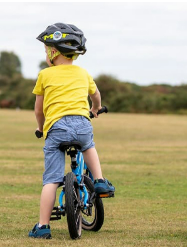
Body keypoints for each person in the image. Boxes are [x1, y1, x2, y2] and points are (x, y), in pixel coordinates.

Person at [28, 22, 115, 239]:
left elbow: (39, 110)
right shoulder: (83, 73)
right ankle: (100, 180)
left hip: (56, 127)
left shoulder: (45, 75)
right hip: (82, 124)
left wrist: (41, 128)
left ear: (52, 51)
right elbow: (96, 96)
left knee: (51, 180)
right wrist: (94, 109)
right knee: (88, 146)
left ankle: (43, 227)